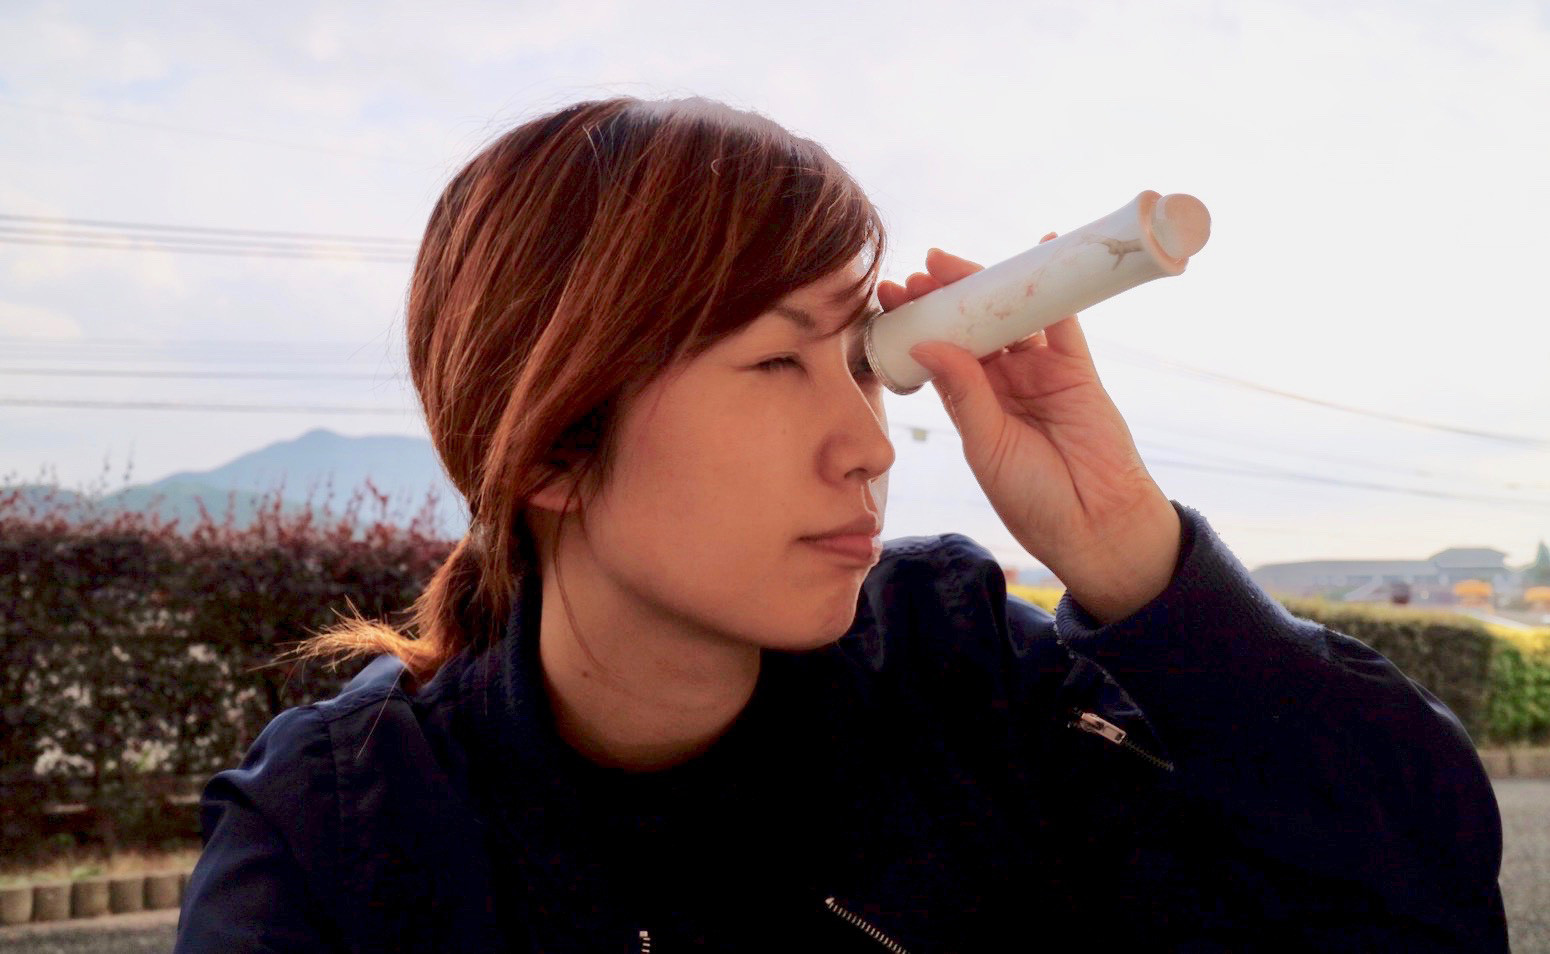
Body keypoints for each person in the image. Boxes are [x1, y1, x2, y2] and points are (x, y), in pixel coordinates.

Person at [173, 96, 1507, 953]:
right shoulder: (341, 839)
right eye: (774, 362)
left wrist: (1132, 554)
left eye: (863, 363)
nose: (869, 444)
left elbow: (1414, 902)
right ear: (555, 448)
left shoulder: (965, 678)